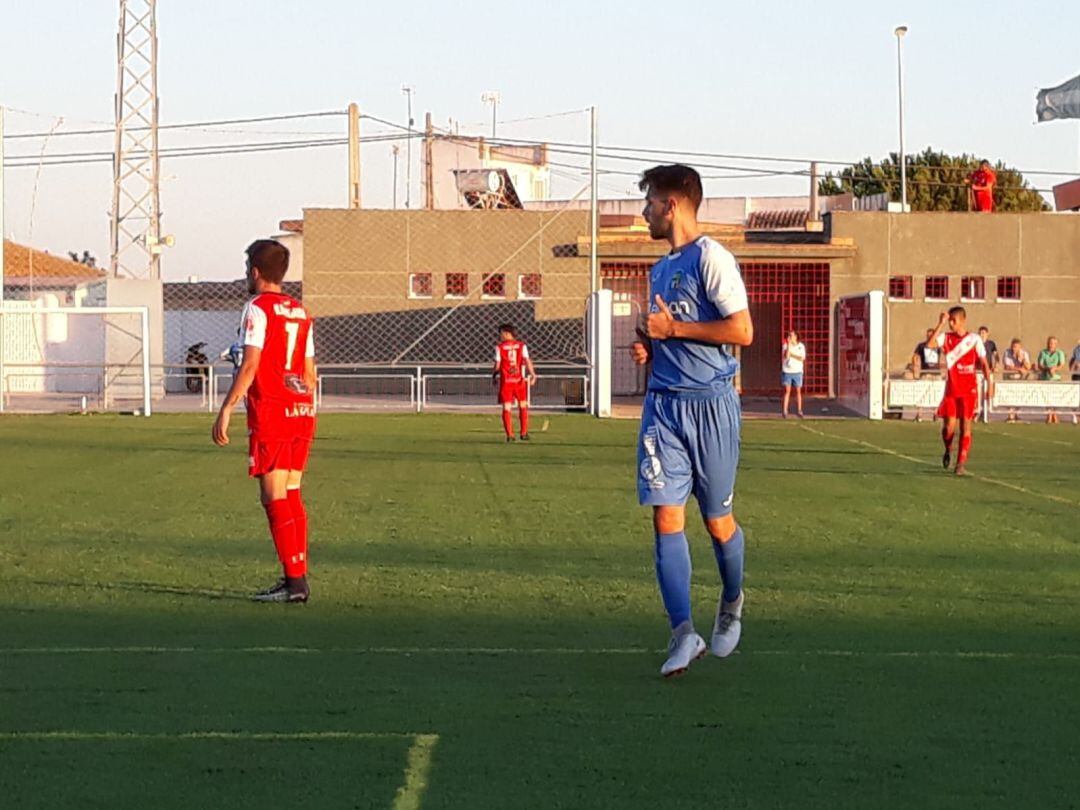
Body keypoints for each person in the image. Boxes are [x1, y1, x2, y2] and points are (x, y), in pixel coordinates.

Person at [629, 164, 754, 677]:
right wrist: (650, 344)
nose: (645, 212)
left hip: (711, 407)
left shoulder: (713, 258)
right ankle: (683, 633)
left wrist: (674, 327)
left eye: (650, 202)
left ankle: (732, 600)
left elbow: (742, 331)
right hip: (664, 407)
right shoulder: (660, 269)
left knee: (717, 522)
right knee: (665, 515)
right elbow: (666, 333)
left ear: (673, 205)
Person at [212, 239, 316, 603]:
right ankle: (296, 575)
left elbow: (252, 363)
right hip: (302, 408)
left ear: (255, 272)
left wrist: (226, 407)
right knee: (290, 493)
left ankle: (294, 583)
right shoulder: (300, 311)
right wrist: (303, 405)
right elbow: (309, 370)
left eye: (246, 268)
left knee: (273, 495)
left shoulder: (256, 308)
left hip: (272, 409)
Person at [927, 307, 993, 475]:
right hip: (952, 389)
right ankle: (948, 449)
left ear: (962, 321)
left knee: (966, 426)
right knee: (948, 427)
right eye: (949, 321)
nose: (950, 324)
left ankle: (960, 463)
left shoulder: (974, 339)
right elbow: (930, 344)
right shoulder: (947, 338)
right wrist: (940, 324)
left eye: (953, 321)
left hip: (969, 390)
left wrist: (990, 383)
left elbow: (984, 364)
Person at [493, 324, 536, 442]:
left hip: (506, 382)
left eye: (501, 333)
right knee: (523, 405)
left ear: (507, 333)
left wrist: (494, 375)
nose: (500, 336)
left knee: (507, 407)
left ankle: (510, 435)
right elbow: (527, 361)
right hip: (519, 381)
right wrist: (533, 374)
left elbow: (497, 365)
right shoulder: (522, 346)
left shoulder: (499, 347)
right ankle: (524, 433)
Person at [1036, 336, 1067, 424]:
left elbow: (1061, 364)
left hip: (1056, 378)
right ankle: (1049, 415)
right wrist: (1047, 368)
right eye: (1049, 343)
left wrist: (1055, 369)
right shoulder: (1043, 352)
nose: (1051, 345)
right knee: (1047, 397)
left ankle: (1055, 414)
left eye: (1053, 343)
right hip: (1045, 377)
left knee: (1055, 397)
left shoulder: (1059, 353)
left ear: (1056, 344)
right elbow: (1040, 364)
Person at [780, 331, 806, 418]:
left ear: (796, 336)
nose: (790, 337)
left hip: (797, 371)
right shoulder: (786, 346)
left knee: (798, 391)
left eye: (792, 335)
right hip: (787, 371)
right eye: (789, 336)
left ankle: (799, 410)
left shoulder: (801, 346)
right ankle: (785, 411)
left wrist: (793, 355)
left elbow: (801, 357)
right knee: (787, 391)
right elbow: (786, 356)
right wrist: (789, 346)